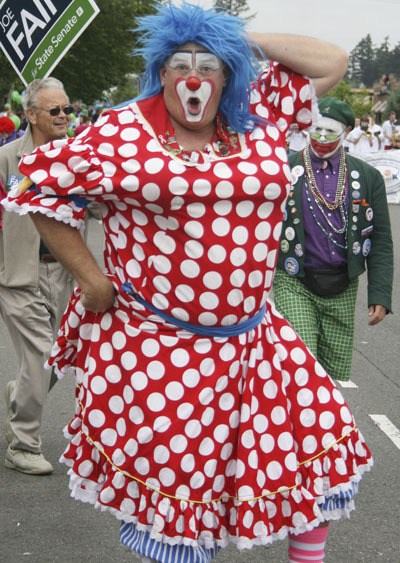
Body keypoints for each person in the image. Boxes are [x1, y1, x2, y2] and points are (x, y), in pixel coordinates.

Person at [3, 4, 372, 562]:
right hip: (163, 350)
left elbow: (333, 60)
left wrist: (233, 37)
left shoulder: (257, 114)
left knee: (316, 444)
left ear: (228, 74)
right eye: (180, 65)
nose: (193, 78)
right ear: (162, 74)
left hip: (254, 339)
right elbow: (35, 186)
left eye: (208, 65)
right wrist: (93, 281)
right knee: (184, 496)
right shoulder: (124, 131)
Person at [273, 96, 393, 383]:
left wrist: (379, 294)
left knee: (329, 376)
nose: (321, 138)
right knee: (302, 364)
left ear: (348, 132)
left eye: (330, 132)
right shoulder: (284, 169)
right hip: (294, 282)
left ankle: (322, 426)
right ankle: (297, 425)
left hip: (343, 283)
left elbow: (381, 240)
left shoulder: (368, 177)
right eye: (316, 130)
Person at [0, 77, 75, 475]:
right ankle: (24, 444)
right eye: (55, 110)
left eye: (67, 109)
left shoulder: (78, 157)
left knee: (56, 357)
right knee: (44, 354)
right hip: (17, 274)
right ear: (30, 115)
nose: (64, 116)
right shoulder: (9, 157)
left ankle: (20, 394)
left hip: (62, 272)